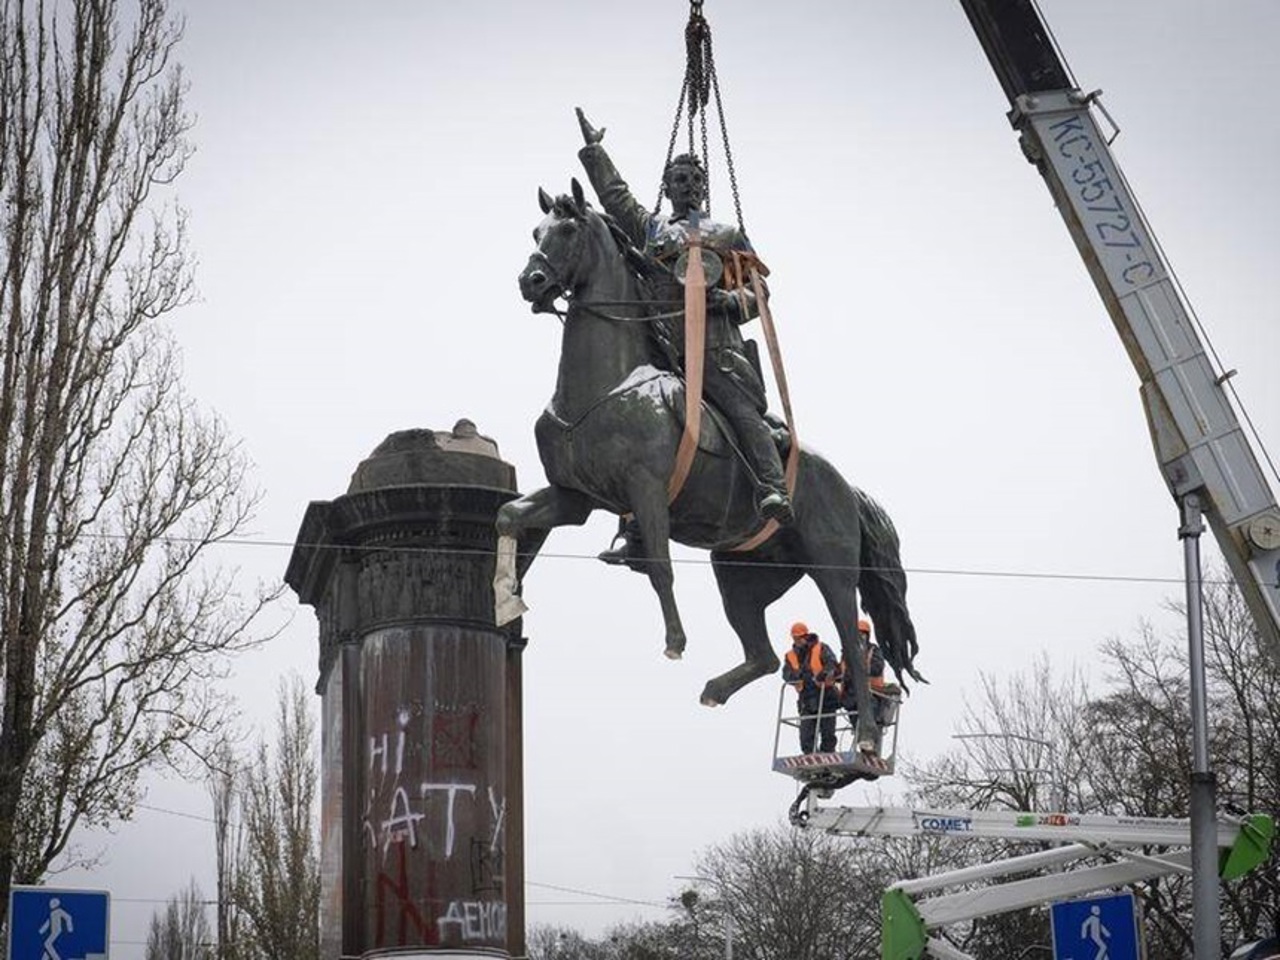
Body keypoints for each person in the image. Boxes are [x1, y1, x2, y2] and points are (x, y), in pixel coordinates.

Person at [574, 108, 793, 554]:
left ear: (702, 187)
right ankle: (637, 531)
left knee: (740, 412)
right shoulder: (653, 228)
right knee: (630, 428)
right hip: (662, 348)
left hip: (715, 349)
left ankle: (773, 487)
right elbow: (616, 197)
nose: (687, 185)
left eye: (694, 180)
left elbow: (759, 291)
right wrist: (595, 151)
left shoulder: (726, 233)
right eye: (679, 179)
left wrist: (729, 300)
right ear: (667, 186)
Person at [781, 621, 839, 754]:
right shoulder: (790, 656)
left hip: (825, 695)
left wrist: (824, 674)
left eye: (800, 637)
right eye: (795, 638)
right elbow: (786, 674)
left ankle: (828, 753)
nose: (798, 641)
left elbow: (832, 664)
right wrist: (796, 676)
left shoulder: (821, 648)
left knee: (828, 731)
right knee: (806, 735)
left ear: (806, 636)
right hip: (806, 699)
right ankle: (810, 754)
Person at [840, 618, 891, 736]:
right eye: (858, 634)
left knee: (868, 728)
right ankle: (863, 741)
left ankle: (868, 741)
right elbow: (841, 671)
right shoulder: (846, 653)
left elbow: (877, 667)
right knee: (857, 727)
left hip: (870, 694)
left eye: (863, 634)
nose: (861, 636)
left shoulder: (873, 650)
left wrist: (860, 670)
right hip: (851, 696)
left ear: (868, 636)